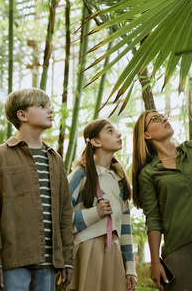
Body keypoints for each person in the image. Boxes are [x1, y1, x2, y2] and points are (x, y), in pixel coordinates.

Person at [131, 39, 192, 290]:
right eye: (155, 119)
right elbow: (153, 219)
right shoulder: (150, 174)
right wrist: (154, 261)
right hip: (179, 243)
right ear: (146, 135)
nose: (163, 118)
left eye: (163, 115)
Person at [0, 88, 74, 291]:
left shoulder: (55, 159)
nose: (50, 110)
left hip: (48, 263)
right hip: (12, 261)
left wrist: (66, 259)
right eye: (41, 106)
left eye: (49, 105)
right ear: (21, 115)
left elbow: (65, 213)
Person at [67, 119, 137, 291]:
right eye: (110, 131)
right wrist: (95, 213)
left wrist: (130, 268)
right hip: (86, 250)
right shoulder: (80, 174)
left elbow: (125, 227)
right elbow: (60, 219)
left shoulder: (119, 180)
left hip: (113, 252)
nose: (118, 134)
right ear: (95, 142)